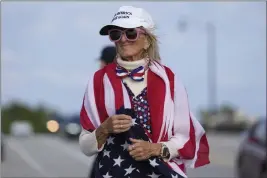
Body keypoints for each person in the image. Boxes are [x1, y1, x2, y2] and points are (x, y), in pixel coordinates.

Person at [79, 5, 210, 178]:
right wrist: (104, 129)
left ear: (147, 40)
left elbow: (185, 139)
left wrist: (154, 148)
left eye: (131, 33)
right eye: (116, 34)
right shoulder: (99, 81)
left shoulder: (169, 80)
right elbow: (85, 145)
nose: (123, 39)